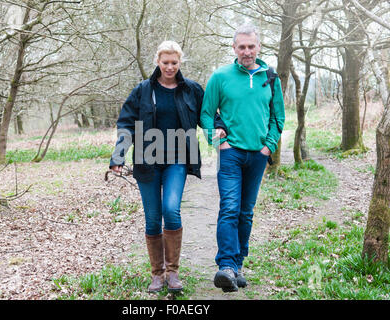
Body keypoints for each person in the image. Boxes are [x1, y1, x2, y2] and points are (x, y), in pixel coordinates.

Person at [109, 41, 226, 293]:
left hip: (177, 160)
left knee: (171, 210)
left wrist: (218, 127)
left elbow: (207, 115)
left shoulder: (191, 90)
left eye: (174, 62)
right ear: (157, 62)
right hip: (146, 161)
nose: (170, 67)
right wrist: (118, 156)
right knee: (152, 219)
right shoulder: (142, 90)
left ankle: (173, 274)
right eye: (165, 62)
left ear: (180, 62)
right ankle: (157, 275)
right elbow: (126, 124)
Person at [200, 24, 285, 292]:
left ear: (258, 47)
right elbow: (205, 114)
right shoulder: (221, 76)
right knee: (230, 207)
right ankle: (225, 265)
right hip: (231, 154)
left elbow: (278, 117)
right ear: (234, 49)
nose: (246, 51)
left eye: (251, 46)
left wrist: (268, 147)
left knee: (246, 213)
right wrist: (219, 141)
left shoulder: (270, 77)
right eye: (241, 47)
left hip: (258, 155)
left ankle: (237, 266)